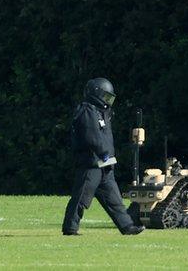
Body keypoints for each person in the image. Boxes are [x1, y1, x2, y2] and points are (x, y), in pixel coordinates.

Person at [62, 78, 144, 236]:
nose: (108, 101)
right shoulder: (87, 111)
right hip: (91, 164)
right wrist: (104, 154)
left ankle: (127, 227)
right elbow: (91, 136)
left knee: (114, 199)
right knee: (81, 198)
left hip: (105, 164)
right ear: (96, 94)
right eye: (105, 96)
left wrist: (108, 159)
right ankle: (70, 228)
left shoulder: (102, 113)